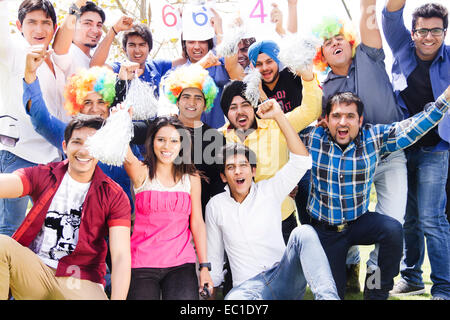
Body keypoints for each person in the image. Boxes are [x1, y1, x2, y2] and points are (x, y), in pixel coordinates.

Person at [299, 88, 450, 300]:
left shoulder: (373, 137)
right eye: (336, 116)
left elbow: (414, 127)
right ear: (326, 120)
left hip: (359, 222)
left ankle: (375, 289)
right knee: (333, 295)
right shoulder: (312, 138)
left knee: (391, 229)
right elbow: (277, 135)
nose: (343, 122)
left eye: (350, 116)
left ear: (360, 121)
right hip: (327, 232)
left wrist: (444, 100)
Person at [311, 0, 407, 293]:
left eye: (339, 37)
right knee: (347, 222)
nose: (335, 42)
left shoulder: (369, 55)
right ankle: (347, 265)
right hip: (351, 163)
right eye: (327, 42)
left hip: (389, 155)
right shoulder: (322, 89)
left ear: (351, 41)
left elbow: (369, 13)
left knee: (392, 225)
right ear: (322, 55)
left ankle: (374, 282)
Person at [206, 98, 339, 300]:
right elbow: (215, 256)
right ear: (224, 176)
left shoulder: (269, 190)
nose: (238, 172)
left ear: (253, 171)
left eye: (243, 166)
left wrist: (278, 115)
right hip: (247, 288)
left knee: (304, 232)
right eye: (230, 168)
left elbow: (302, 162)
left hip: (283, 276)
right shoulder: (216, 206)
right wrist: (210, 291)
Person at [0, 115, 131, 300]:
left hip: (81, 278)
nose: (84, 151)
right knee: (2, 245)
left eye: (92, 144)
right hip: (37, 272)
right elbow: (8, 183)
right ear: (64, 146)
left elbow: (120, 257)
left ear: (100, 149)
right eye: (77, 142)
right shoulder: (44, 175)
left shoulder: (113, 195)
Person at [382, 1, 450, 300]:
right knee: (408, 217)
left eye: (437, 31)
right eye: (423, 30)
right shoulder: (401, 46)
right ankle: (411, 277)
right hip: (403, 145)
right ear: (413, 32)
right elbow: (390, 15)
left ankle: (444, 286)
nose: (429, 37)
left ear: (444, 32)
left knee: (431, 218)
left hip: (437, 147)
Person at [22, 48, 137, 212]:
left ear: (109, 103)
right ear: (77, 106)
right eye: (87, 102)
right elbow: (41, 119)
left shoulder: (122, 133)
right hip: (80, 221)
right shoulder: (69, 134)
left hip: (119, 221)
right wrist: (30, 74)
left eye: (101, 102)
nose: (94, 108)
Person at [219, 66, 321, 245]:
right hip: (243, 225)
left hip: (282, 220)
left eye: (245, 104)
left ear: (253, 105)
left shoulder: (276, 124)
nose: (240, 111)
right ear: (226, 113)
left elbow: (310, 111)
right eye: (233, 107)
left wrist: (307, 76)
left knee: (291, 272)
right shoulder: (218, 139)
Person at [0, 0, 71, 237]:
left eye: (45, 23)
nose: (39, 29)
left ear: (54, 27)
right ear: (19, 25)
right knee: (10, 229)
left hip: (51, 159)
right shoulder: (12, 53)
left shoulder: (56, 60)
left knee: (49, 231)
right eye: (32, 22)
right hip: (19, 155)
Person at [123, 116, 213, 300]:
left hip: (181, 263)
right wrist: (120, 118)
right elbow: (121, 147)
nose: (167, 146)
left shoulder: (191, 178)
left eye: (174, 140)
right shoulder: (140, 171)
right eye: (161, 139)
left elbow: (197, 222)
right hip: (142, 263)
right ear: (152, 142)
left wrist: (204, 267)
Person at [53, 1, 107, 73]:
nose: (95, 30)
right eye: (87, 23)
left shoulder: (96, 61)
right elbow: (59, 48)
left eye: (99, 25)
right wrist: (76, 6)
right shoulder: (69, 53)